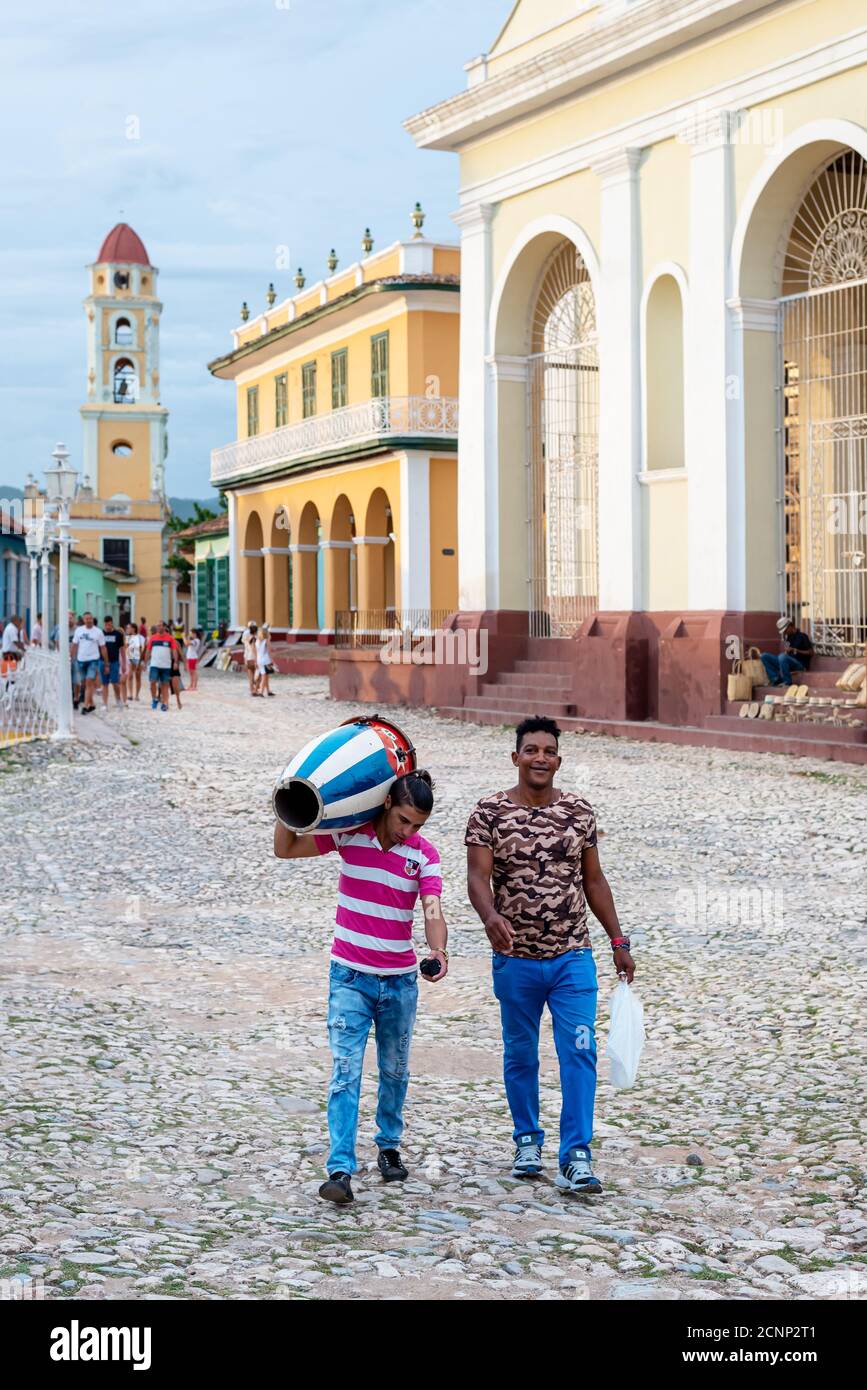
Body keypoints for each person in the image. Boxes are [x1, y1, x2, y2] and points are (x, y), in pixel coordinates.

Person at [465, 716, 634, 1196]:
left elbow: (594, 880)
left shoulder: (579, 813)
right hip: (515, 959)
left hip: (572, 958)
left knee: (579, 1052)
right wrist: (489, 917)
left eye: (549, 751)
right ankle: (526, 1140)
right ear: (515, 757)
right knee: (521, 1055)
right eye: (531, 750)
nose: (541, 757)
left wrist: (618, 941)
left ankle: (576, 1155)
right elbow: (477, 877)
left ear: (559, 760)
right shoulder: (488, 813)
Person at [274, 769, 448, 1205]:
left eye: (418, 825)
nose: (409, 831)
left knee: (394, 1071)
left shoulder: (424, 855)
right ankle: (340, 1169)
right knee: (345, 1072)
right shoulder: (348, 835)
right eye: (405, 820)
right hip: (349, 976)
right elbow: (285, 848)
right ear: (388, 804)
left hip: (400, 982)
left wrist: (438, 951)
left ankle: (388, 1146)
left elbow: (432, 907)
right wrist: (287, 801)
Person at [70, 612, 107, 715]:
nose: (88, 620)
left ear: (92, 619)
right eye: (86, 619)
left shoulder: (98, 632)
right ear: (84, 620)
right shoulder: (79, 630)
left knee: (89, 682)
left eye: (90, 618)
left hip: (93, 660)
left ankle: (85, 706)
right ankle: (92, 704)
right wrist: (70, 657)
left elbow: (103, 648)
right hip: (81, 660)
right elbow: (74, 644)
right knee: (84, 684)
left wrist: (106, 662)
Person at [760, 617, 814, 687]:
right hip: (787, 662)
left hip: (800, 664)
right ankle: (775, 678)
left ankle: (787, 682)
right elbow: (786, 655)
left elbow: (811, 652)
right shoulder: (788, 638)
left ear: (790, 626)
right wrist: (787, 652)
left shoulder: (803, 636)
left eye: (785, 630)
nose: (785, 633)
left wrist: (796, 650)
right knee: (764, 656)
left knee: (782, 656)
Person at [145, 620, 178, 712]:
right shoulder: (153, 638)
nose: (158, 627)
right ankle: (154, 699)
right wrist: (145, 662)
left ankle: (165, 703)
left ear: (164, 627)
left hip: (166, 666)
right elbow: (148, 651)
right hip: (154, 664)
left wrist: (175, 662)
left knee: (165, 685)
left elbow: (174, 651)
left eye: (159, 626)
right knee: (152, 682)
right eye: (157, 626)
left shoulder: (170, 638)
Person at [100, 616, 125, 709]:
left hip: (114, 661)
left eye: (109, 624)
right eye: (106, 624)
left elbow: (122, 649)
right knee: (104, 683)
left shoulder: (118, 634)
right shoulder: (101, 634)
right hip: (102, 661)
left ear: (112, 623)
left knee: (115, 683)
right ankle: (104, 703)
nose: (108, 626)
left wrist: (124, 664)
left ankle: (118, 699)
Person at [126, 623, 144, 701]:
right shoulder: (127, 637)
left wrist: (140, 661)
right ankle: (130, 694)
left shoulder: (140, 638)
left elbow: (142, 649)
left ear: (133, 629)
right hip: (129, 658)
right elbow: (125, 648)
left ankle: (137, 695)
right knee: (129, 676)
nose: (127, 629)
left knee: (138, 677)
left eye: (128, 628)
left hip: (137, 658)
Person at [256, 624, 275, 697]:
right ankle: (261, 691)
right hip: (265, 660)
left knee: (266, 676)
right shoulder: (266, 641)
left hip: (259, 659)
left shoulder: (257, 641)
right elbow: (270, 651)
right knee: (264, 676)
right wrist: (272, 661)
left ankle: (268, 690)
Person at [169, 630, 186, 710]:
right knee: (162, 684)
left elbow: (181, 653)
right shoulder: (159, 641)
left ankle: (178, 700)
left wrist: (185, 664)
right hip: (163, 663)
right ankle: (162, 699)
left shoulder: (175, 642)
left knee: (175, 684)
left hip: (173, 664)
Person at [243, 622, 260, 695]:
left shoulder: (246, 638)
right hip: (254, 658)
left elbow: (246, 650)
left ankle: (252, 689)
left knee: (250, 677)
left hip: (248, 658)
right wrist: (257, 660)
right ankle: (255, 689)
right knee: (259, 675)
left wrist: (245, 659)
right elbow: (255, 650)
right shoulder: (255, 639)